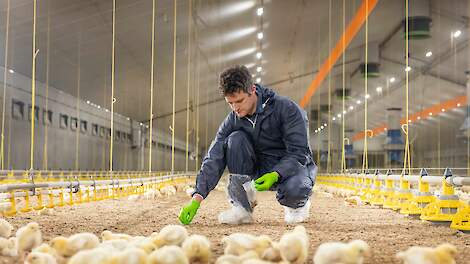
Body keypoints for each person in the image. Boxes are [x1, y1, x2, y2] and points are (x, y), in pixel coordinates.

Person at [179, 65, 317, 225]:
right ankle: (242, 208)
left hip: (291, 168)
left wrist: (276, 173)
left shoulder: (287, 109)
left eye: (239, 101)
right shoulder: (233, 120)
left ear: (252, 90)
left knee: (296, 188)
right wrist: (197, 197)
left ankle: (297, 206)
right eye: (230, 103)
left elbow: (299, 152)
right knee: (234, 139)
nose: (235, 108)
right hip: (259, 169)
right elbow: (214, 157)